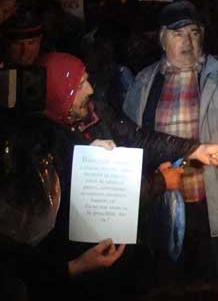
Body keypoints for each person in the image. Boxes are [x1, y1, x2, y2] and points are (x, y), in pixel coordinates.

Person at [34, 51, 218, 300]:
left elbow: (137, 137)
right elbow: (101, 203)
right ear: (59, 93)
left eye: (87, 79)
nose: (90, 89)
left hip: (121, 252)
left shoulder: (93, 112)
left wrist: (195, 149)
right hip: (81, 265)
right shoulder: (45, 144)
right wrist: (160, 183)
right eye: (79, 85)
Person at [123, 0, 218, 293]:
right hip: (165, 205)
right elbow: (132, 141)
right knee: (169, 285)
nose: (187, 41)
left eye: (193, 33)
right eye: (178, 34)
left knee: (216, 285)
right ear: (162, 38)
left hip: (215, 202)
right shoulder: (144, 82)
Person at [0, 113, 125, 300]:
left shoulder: (25, 153)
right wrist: (78, 266)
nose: (59, 187)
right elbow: (28, 273)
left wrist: (84, 157)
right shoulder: (11, 281)